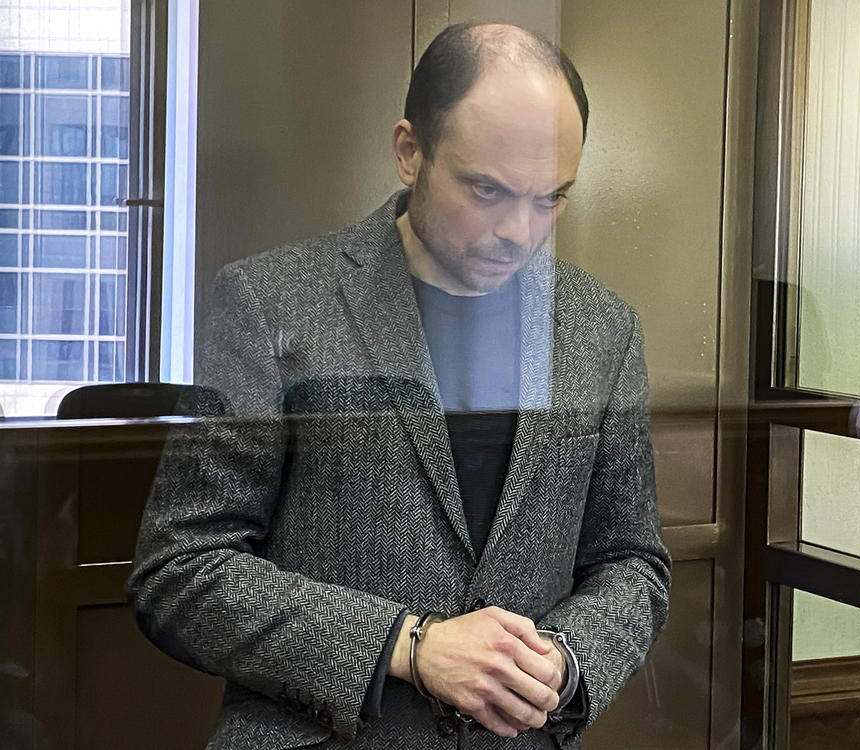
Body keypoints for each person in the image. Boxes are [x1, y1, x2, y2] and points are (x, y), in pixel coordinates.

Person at [127, 22, 671, 750]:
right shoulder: (272, 301)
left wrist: (565, 659)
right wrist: (408, 646)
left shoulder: (604, 328)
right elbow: (178, 571)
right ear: (409, 151)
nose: (519, 231)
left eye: (551, 199)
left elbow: (632, 561)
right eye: (487, 189)